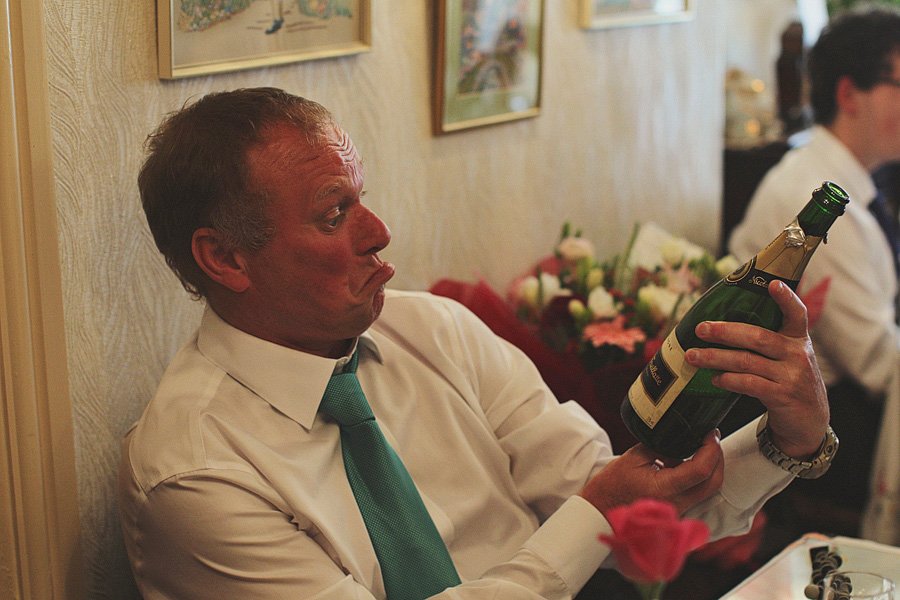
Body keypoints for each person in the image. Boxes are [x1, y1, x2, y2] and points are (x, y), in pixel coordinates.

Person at [119, 87, 834, 599]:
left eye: (363, 198)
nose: (377, 232)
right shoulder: (195, 471)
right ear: (226, 260)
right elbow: (598, 511)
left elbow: (637, 505)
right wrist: (594, 514)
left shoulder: (433, 330)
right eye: (335, 214)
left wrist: (790, 437)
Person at [728, 6, 900, 539]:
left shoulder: (853, 178)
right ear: (850, 95)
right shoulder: (817, 199)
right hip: (825, 428)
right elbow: (877, 361)